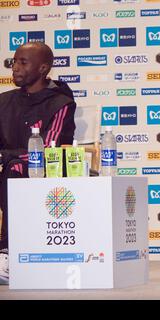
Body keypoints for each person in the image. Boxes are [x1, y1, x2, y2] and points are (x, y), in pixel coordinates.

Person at [0, 42, 76, 285]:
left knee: (15, 168)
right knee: (11, 167)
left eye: (23, 62)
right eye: (14, 62)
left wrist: (8, 157)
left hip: (46, 171)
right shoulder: (4, 101)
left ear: (43, 68)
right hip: (8, 164)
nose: (15, 68)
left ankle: (7, 252)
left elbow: (47, 150)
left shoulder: (61, 103)